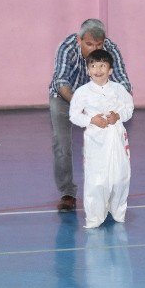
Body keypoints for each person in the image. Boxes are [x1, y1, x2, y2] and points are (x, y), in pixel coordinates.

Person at [49, 19, 131, 212]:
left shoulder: (111, 49)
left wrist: (116, 112)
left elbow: (124, 83)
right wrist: (82, 108)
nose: (95, 49)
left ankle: (109, 189)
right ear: (79, 40)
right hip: (65, 97)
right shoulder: (67, 47)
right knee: (61, 144)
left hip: (101, 101)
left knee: (110, 141)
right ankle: (67, 193)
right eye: (89, 44)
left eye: (99, 44)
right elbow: (61, 81)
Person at [69, 49, 134, 228]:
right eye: (94, 66)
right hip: (95, 140)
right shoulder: (82, 92)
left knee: (119, 177)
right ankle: (95, 216)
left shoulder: (119, 89)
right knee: (97, 179)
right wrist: (91, 119)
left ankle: (118, 210)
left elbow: (129, 108)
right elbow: (74, 115)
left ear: (110, 70)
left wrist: (118, 116)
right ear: (88, 70)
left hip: (117, 138)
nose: (98, 70)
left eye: (103, 66)